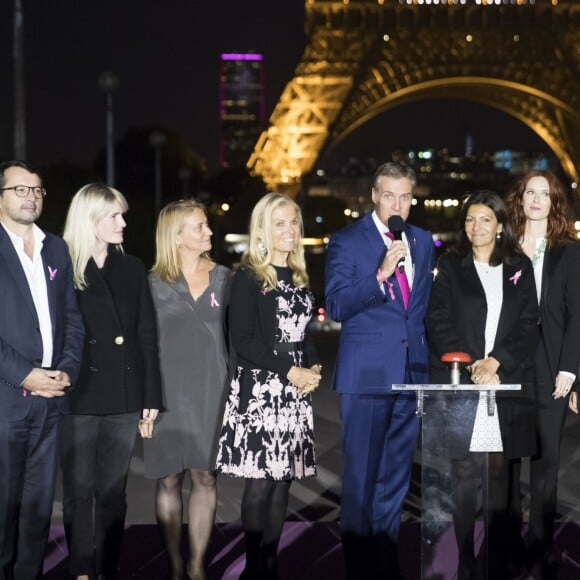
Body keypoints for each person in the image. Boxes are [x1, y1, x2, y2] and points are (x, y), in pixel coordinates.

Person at [325, 161, 434, 579]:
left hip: (411, 375)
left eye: (406, 197)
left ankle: (386, 568)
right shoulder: (347, 241)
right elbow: (335, 305)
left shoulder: (422, 241)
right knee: (361, 483)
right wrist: (380, 275)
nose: (398, 205)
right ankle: (359, 570)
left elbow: (420, 311)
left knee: (395, 483)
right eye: (389, 195)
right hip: (367, 378)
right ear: (373, 195)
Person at [427, 190, 540, 579]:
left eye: (485, 220)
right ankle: (465, 557)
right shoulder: (451, 265)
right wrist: (472, 363)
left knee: (495, 473)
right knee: (463, 474)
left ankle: (494, 552)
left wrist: (498, 362)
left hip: (501, 384)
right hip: (464, 383)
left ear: (500, 225)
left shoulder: (519, 266)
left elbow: (529, 324)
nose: (476, 227)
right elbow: (437, 320)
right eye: (470, 220)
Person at [216, 192, 321, 580]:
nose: (290, 230)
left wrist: (312, 365)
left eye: (294, 222)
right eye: (280, 223)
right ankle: (254, 565)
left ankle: (270, 563)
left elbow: (304, 334)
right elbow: (243, 340)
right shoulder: (247, 276)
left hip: (294, 390)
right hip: (261, 389)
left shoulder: (300, 276)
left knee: (283, 482)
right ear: (262, 229)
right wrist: (289, 370)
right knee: (260, 483)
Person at [60, 183, 163, 580]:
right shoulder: (61, 265)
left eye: (123, 215)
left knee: (112, 493)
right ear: (90, 221)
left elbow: (146, 335)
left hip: (123, 395)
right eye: (114, 216)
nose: (123, 222)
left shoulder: (132, 267)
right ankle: (82, 570)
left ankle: (107, 568)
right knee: (78, 490)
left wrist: (150, 396)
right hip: (78, 393)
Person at [0, 160, 84, 579]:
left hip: (50, 401)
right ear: (1, 196)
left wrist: (66, 370)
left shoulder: (55, 247)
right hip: (5, 402)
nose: (31, 197)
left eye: (37, 190)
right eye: (20, 190)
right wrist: (25, 375)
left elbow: (71, 318)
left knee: (36, 514)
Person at [144, 199, 232, 580]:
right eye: (199, 227)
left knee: (205, 477)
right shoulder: (149, 284)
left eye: (207, 225)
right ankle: (174, 562)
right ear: (176, 236)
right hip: (163, 394)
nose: (208, 232)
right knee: (168, 478)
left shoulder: (227, 278)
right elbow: (140, 345)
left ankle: (196, 565)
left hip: (212, 390)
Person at [505, 170, 580, 580]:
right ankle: (512, 544)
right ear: (521, 198)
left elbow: (576, 316)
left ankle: (541, 546)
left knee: (546, 464)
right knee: (510, 464)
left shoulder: (568, 251)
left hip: (551, 366)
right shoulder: (504, 247)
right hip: (509, 365)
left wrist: (570, 372)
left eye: (545, 193)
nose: (536, 199)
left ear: (554, 202)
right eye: (529, 192)